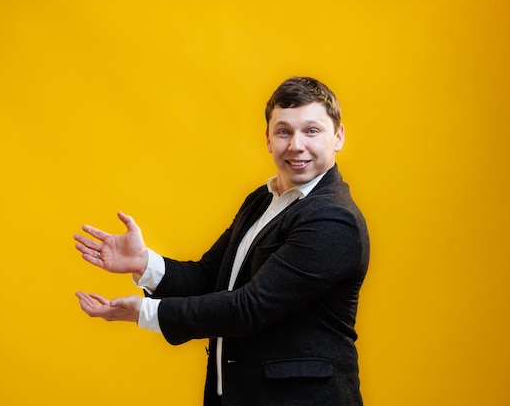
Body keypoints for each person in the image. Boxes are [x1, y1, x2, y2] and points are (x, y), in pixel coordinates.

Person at [74, 76, 370, 406]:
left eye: (311, 131)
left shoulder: (334, 219)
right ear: (269, 139)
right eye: (284, 131)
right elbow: (210, 278)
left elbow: (250, 307)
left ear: (338, 136)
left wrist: (146, 312)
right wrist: (145, 264)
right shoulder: (262, 200)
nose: (296, 145)